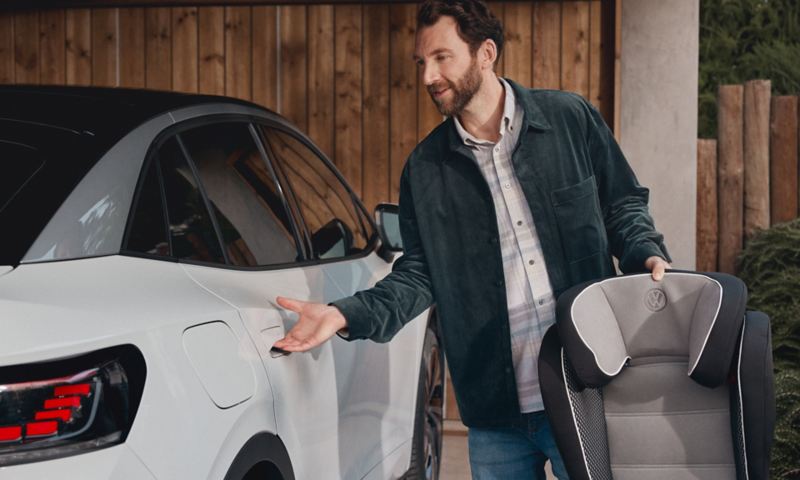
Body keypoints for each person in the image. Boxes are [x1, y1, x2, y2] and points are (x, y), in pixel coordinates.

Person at [273, 0, 671, 478]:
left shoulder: (570, 120)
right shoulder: (425, 171)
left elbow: (621, 204)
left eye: (442, 57)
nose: (428, 76)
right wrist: (343, 313)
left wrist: (644, 253)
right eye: (422, 62)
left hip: (584, 387)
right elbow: (419, 274)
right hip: (494, 417)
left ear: (486, 53)